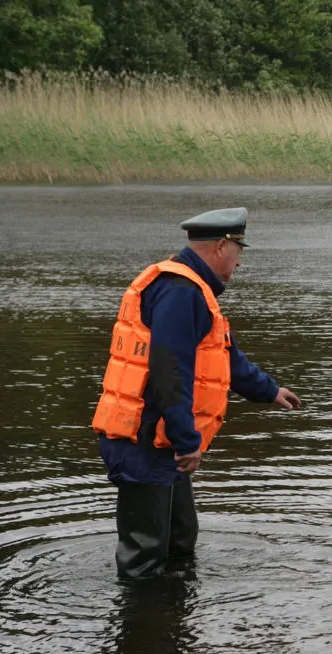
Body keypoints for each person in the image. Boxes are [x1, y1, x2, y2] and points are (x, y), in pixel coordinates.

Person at [91, 207, 301, 579]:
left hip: (162, 439)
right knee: (145, 557)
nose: (239, 263)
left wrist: (269, 391)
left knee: (180, 540)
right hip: (145, 439)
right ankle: (144, 631)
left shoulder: (193, 289)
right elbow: (169, 373)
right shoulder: (179, 291)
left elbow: (224, 359)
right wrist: (187, 440)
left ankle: (175, 625)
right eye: (239, 251)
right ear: (221, 246)